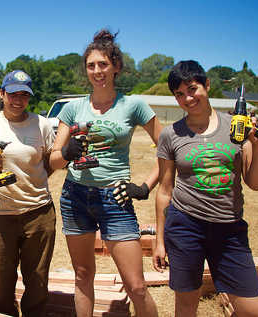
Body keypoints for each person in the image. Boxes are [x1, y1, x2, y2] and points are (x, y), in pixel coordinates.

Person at [49, 29, 161, 317]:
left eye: (103, 64)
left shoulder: (133, 105)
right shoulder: (73, 108)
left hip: (116, 197)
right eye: (91, 65)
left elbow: (168, 150)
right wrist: (67, 152)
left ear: (116, 67)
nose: (97, 71)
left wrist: (145, 188)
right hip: (75, 196)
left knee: (136, 286)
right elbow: (53, 160)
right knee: (82, 275)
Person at [152, 60, 258, 317]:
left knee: (254, 311)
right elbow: (164, 190)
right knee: (186, 306)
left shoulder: (237, 128)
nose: (187, 98)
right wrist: (159, 241)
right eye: (179, 94)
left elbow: (255, 183)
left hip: (229, 228)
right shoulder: (171, 135)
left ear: (207, 85)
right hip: (185, 227)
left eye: (192, 89)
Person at [0, 70, 56, 317]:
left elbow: (49, 161)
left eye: (24, 95)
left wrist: (33, 181)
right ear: (2, 94)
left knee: (37, 279)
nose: (18, 100)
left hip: (38, 213)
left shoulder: (42, 124)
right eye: (12, 94)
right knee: (1, 279)